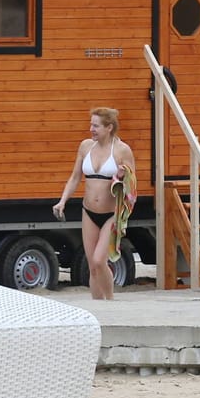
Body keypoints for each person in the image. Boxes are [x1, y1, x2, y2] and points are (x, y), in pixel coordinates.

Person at [53, 106, 137, 300]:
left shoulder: (122, 150)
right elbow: (75, 178)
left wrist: (123, 176)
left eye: (96, 126)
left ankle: (110, 302)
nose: (91, 129)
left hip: (111, 213)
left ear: (109, 127)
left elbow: (132, 187)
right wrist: (62, 201)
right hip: (89, 212)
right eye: (91, 124)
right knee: (92, 265)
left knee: (100, 261)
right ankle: (98, 307)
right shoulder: (85, 146)